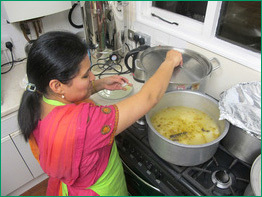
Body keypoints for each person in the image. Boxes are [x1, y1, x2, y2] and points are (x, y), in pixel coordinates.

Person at [18, 31, 183, 196]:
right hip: (101, 189)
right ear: (57, 85)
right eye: (85, 76)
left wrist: (99, 85)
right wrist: (169, 61)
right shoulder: (86, 123)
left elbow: (66, 98)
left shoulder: (38, 98)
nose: (92, 76)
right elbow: (149, 98)